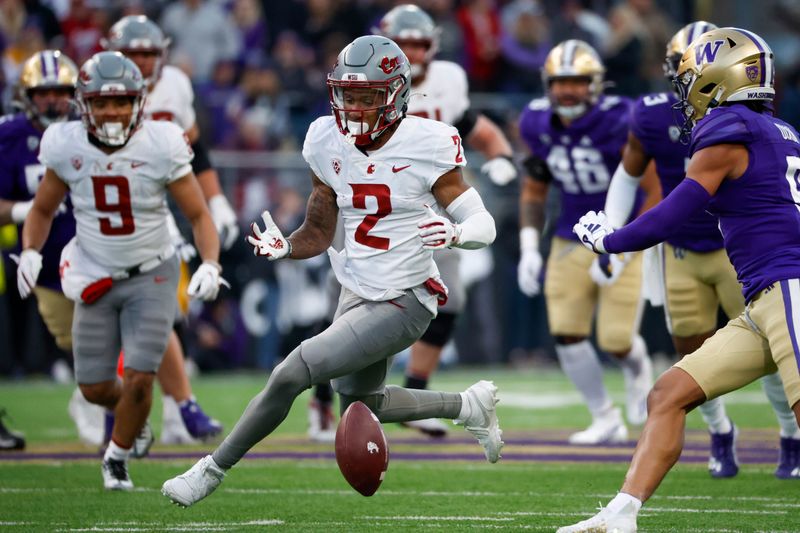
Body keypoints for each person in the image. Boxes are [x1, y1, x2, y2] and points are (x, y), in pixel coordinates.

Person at [161, 35, 502, 507]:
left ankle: (211, 469)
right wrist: (286, 246)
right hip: (355, 289)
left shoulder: (429, 142)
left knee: (291, 372)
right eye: (348, 95)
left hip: (405, 297)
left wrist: (457, 234)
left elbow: (482, 221)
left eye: (368, 97)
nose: (356, 108)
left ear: (397, 94)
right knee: (366, 404)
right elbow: (319, 231)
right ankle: (469, 406)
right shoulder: (324, 138)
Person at [566, 27, 800, 532]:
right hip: (765, 297)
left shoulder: (730, 128)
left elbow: (677, 210)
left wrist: (610, 240)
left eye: (692, 78)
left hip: (789, 288)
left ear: (718, 79)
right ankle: (622, 515)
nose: (684, 90)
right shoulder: (780, 132)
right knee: (668, 393)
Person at [17, 51, 224, 490]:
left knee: (140, 376)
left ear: (138, 103)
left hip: (152, 270)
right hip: (95, 270)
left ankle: (116, 456)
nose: (112, 112)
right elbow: (42, 209)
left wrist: (210, 261)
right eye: (102, 103)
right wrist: (32, 250)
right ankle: (134, 418)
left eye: (122, 102)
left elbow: (199, 214)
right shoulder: (66, 143)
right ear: (84, 105)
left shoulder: (160, 142)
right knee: (94, 387)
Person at [376, 3, 518, 438]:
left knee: (448, 300)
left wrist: (502, 156)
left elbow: (472, 123)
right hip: (376, 202)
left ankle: (414, 398)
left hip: (432, 205)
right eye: (405, 44)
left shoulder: (448, 80)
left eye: (420, 43)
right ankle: (327, 401)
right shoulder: (369, 78)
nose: (414, 53)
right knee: (355, 301)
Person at [97, 14, 236, 445]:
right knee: (121, 313)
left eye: (147, 53)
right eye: (132, 53)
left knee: (168, 307)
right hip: (115, 209)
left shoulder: (174, 84)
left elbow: (195, 148)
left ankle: (176, 408)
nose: (140, 62)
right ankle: (122, 407)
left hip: (169, 202)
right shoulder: (97, 85)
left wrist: (216, 201)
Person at [517, 39, 656, 444]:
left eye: (577, 81)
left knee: (615, 340)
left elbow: (652, 189)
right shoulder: (535, 122)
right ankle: (604, 417)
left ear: (596, 83)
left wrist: (625, 244)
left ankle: (637, 364)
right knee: (566, 331)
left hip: (624, 234)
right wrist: (529, 246)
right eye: (560, 81)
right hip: (569, 236)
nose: (567, 90)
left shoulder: (621, 119)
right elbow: (535, 188)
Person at [0, 50, 77, 381]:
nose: (52, 101)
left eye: (60, 92)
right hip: (34, 260)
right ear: (27, 96)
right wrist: (27, 209)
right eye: (43, 93)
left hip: (89, 254)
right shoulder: (9, 135)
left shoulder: (87, 131)